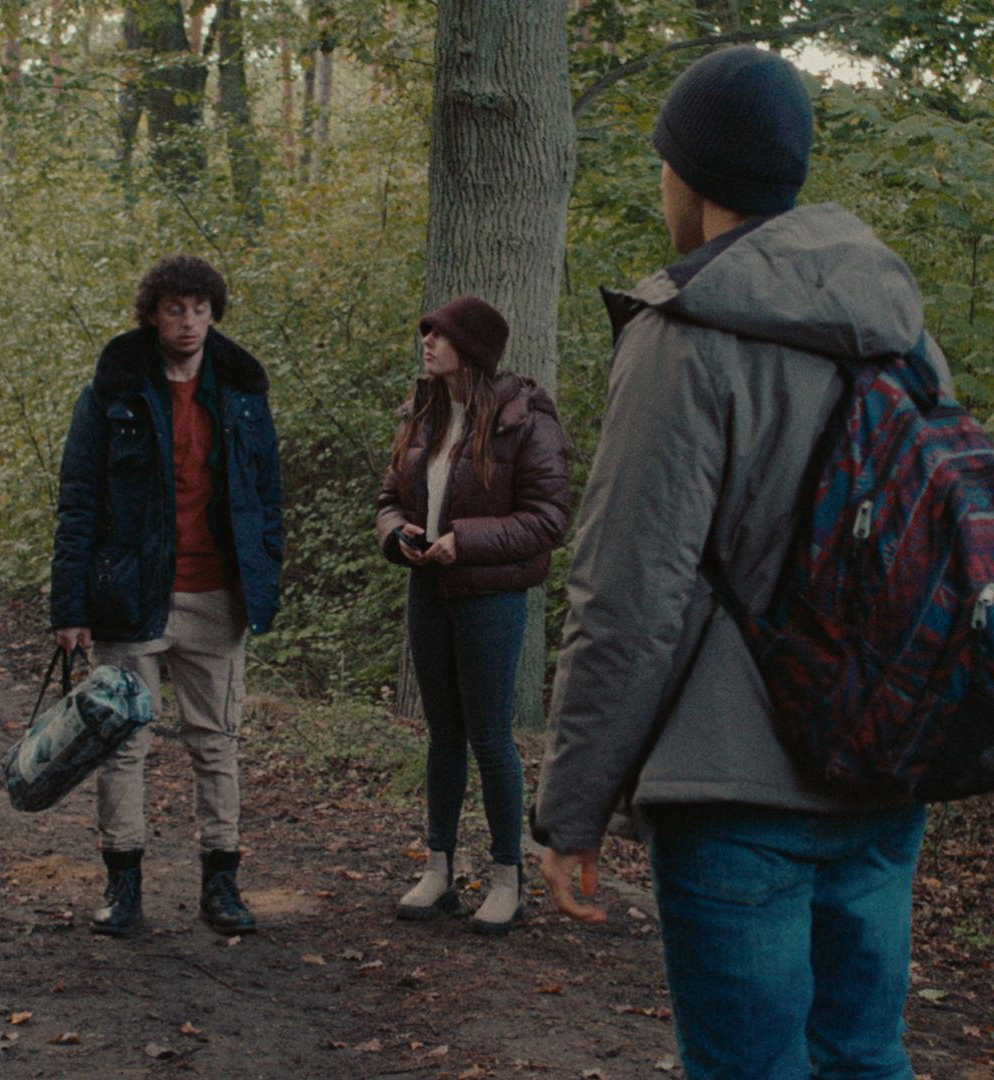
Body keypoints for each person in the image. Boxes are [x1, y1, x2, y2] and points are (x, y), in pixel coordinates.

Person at [532, 47, 946, 1078]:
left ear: (693, 174)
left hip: (736, 782)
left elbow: (629, 593)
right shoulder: (899, 328)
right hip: (883, 762)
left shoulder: (684, 333)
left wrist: (573, 807)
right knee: (865, 1057)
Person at [51, 254, 283, 937]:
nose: (188, 322)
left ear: (214, 314)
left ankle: (222, 883)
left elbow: (266, 495)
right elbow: (78, 501)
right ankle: (122, 883)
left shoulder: (241, 392)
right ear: (152, 314)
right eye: (175, 309)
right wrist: (69, 606)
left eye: (200, 309)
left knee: (216, 743)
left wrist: (265, 568)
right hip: (130, 594)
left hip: (217, 593)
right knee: (123, 743)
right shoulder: (112, 392)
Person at [375, 295, 570, 934]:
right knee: (442, 735)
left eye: (440, 335)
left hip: (490, 596)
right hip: (428, 589)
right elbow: (388, 496)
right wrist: (398, 532)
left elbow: (549, 518)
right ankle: (439, 869)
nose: (427, 343)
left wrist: (466, 540)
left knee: (489, 738)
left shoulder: (525, 418)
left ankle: (508, 879)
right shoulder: (424, 412)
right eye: (426, 332)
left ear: (473, 349)